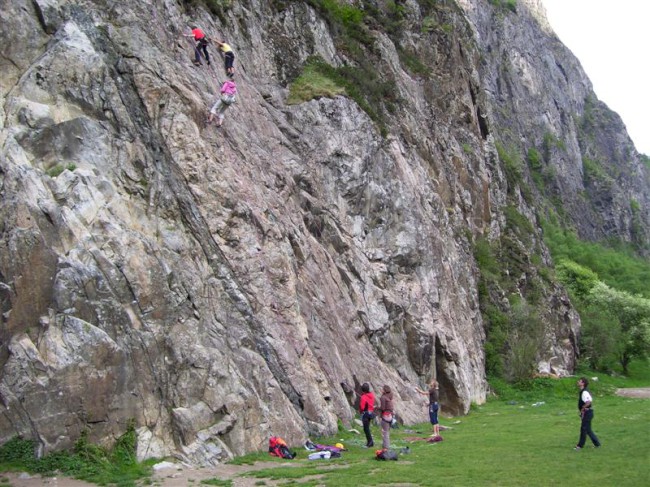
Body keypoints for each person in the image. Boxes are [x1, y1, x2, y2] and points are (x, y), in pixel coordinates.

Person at [575, 377, 601, 450]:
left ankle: (579, 446)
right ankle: (597, 444)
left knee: (583, 429)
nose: (578, 382)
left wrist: (583, 409)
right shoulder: (583, 391)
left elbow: (588, 402)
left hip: (587, 412)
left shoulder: (584, 392)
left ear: (583, 383)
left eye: (579, 381)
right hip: (588, 412)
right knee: (588, 429)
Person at [359, 383, 375, 448]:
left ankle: (370, 442)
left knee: (366, 429)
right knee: (367, 428)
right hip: (370, 413)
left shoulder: (363, 397)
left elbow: (362, 407)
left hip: (365, 414)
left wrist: (360, 411)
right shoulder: (371, 395)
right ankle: (370, 442)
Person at [379, 385, 394, 450]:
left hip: (385, 416)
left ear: (384, 391)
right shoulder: (389, 397)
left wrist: (376, 407)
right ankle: (385, 446)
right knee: (387, 432)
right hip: (390, 416)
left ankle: (386, 448)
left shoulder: (383, 398)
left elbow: (382, 408)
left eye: (382, 389)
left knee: (385, 432)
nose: (381, 390)